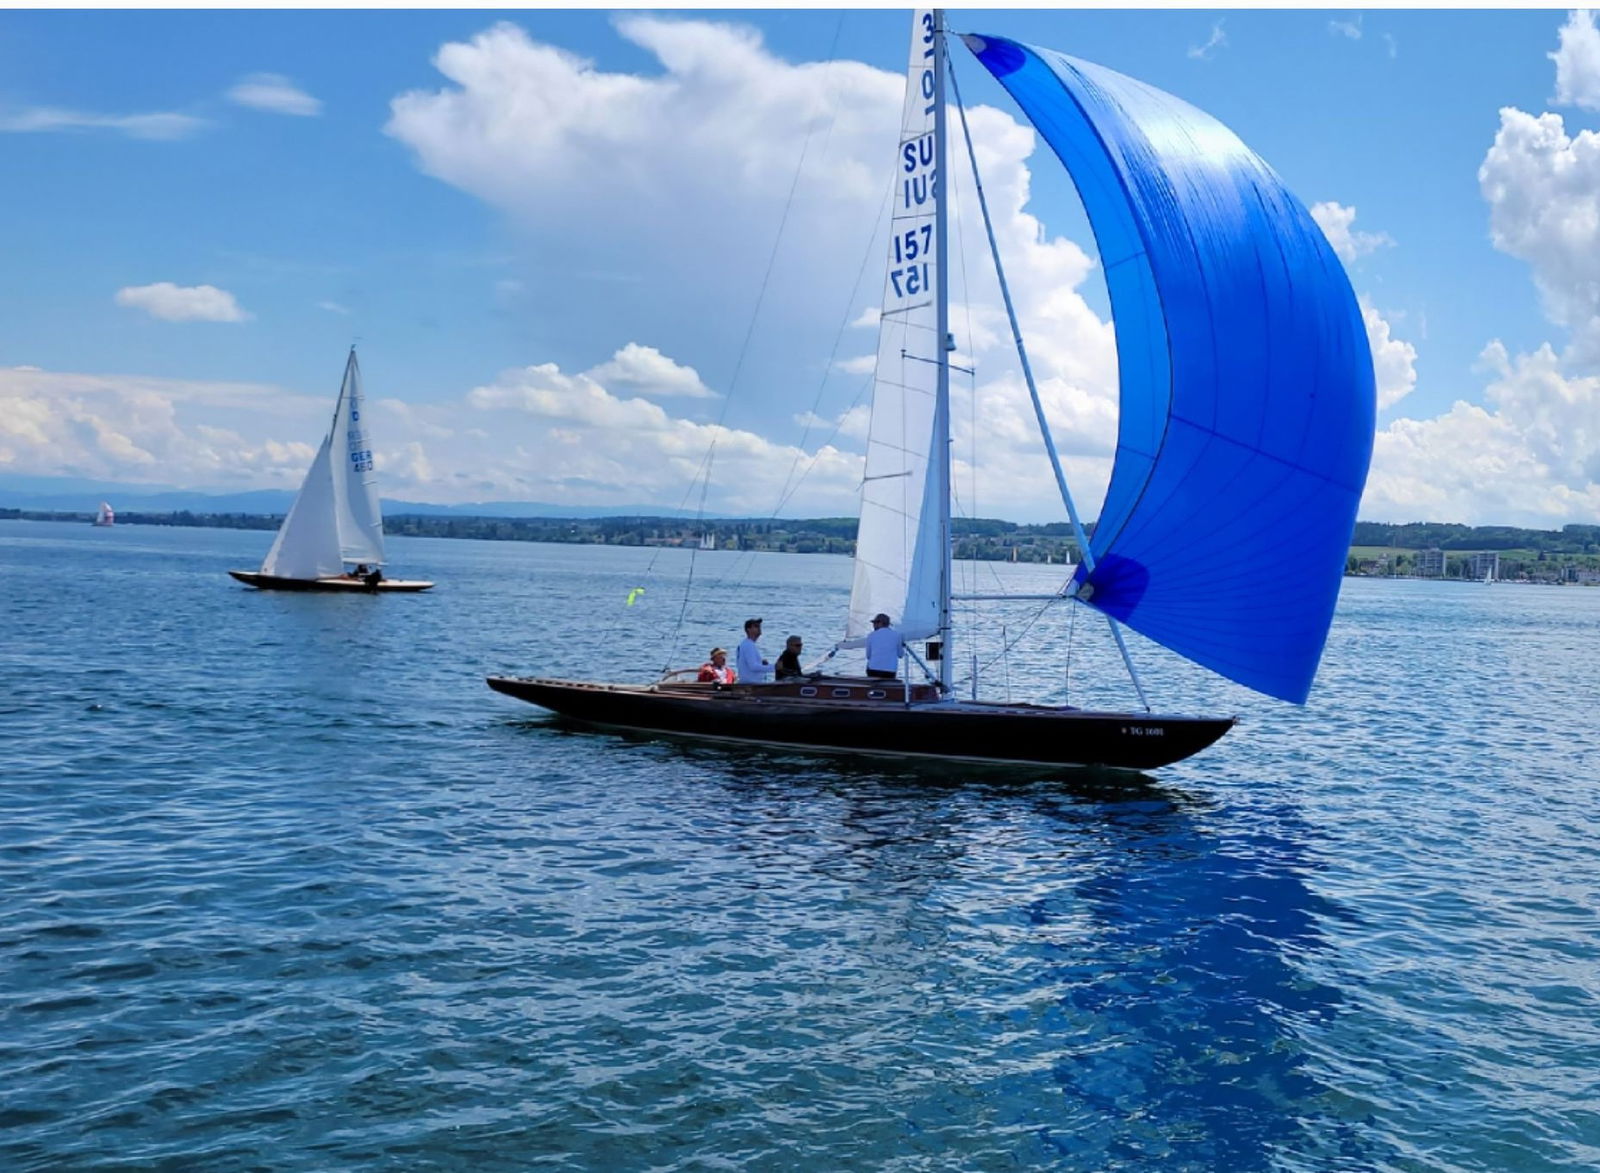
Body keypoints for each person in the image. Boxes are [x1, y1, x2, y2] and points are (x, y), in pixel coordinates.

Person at [865, 612, 902, 679]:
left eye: (875, 623)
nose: (873, 625)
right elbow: (900, 655)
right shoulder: (897, 635)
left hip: (873, 670)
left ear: (880, 623)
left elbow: (868, 656)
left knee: (870, 665)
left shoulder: (871, 635)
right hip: (890, 672)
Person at [736, 617, 771, 684]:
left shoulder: (746, 644)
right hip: (751, 685)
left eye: (759, 626)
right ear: (748, 629)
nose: (759, 628)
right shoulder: (748, 645)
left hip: (749, 683)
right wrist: (775, 667)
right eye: (756, 626)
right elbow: (753, 667)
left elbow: (746, 665)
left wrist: (762, 664)